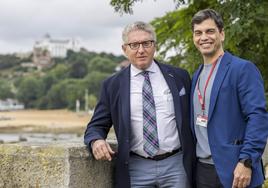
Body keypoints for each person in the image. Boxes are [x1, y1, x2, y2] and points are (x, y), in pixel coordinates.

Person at [84, 21, 195, 188]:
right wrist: (96, 141)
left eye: (146, 43)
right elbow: (96, 126)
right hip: (136, 168)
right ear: (124, 49)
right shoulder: (112, 85)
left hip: (176, 166)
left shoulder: (179, 77)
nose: (141, 50)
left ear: (154, 46)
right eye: (134, 45)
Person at [190, 9, 268, 188]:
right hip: (202, 171)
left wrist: (246, 161)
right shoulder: (196, 75)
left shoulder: (242, 69)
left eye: (210, 31)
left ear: (222, 34)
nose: (204, 37)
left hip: (235, 170)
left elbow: (258, 117)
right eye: (198, 33)